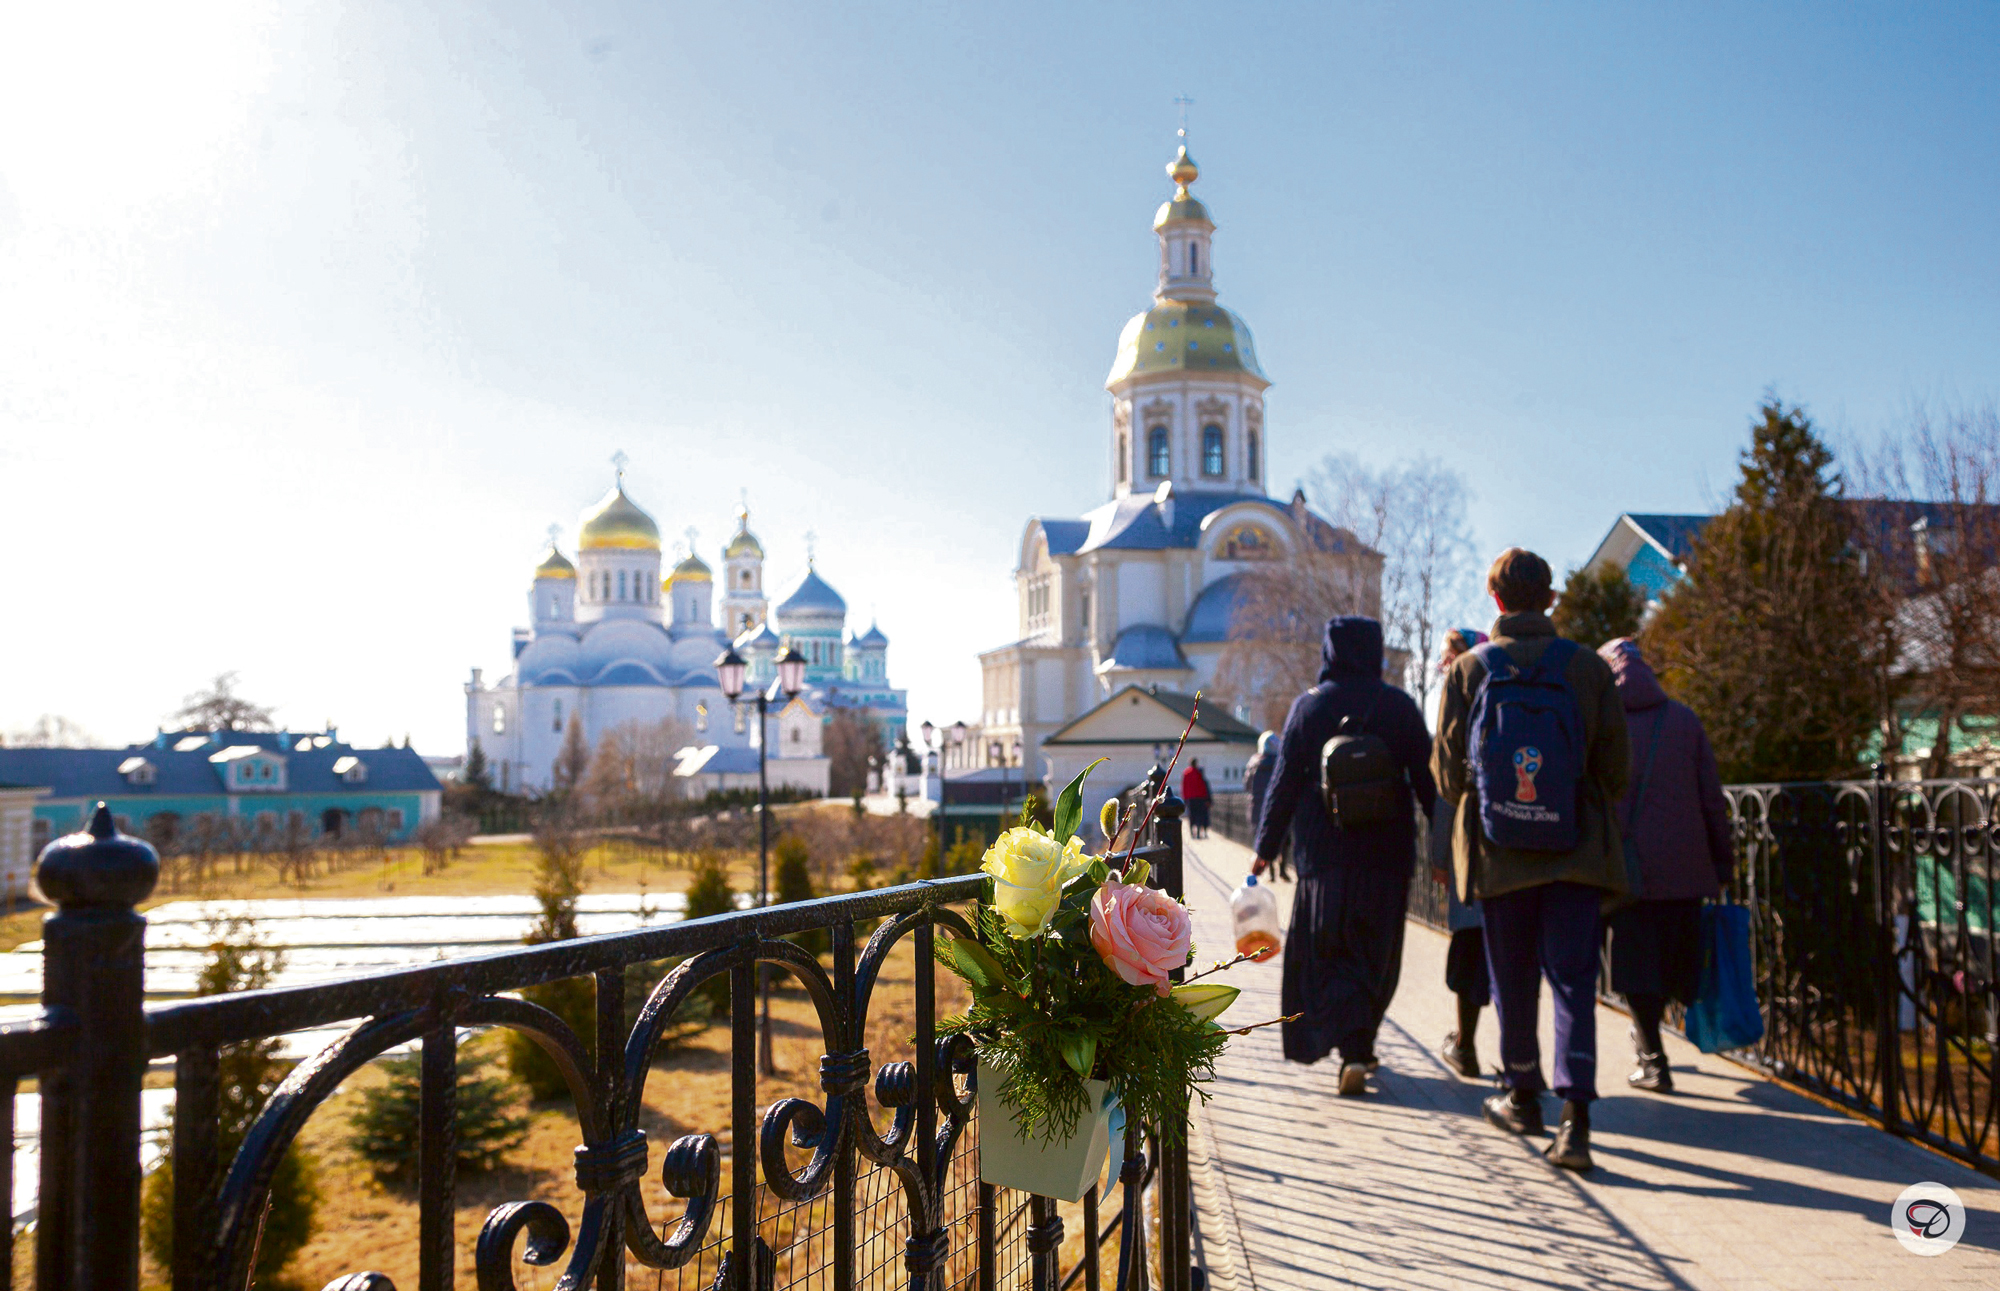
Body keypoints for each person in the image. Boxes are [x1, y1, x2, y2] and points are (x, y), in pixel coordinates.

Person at [1432, 549, 1629, 1172]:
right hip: (1573, 853)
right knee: (1573, 982)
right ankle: (1577, 1121)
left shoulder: (1468, 670)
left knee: (1512, 978)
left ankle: (1522, 1094)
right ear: (1549, 599)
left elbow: (1445, 776)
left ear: (1495, 602)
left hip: (1498, 855)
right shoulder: (1588, 668)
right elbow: (1615, 770)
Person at [1252, 617, 1437, 1096]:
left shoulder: (1309, 708)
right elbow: (1427, 783)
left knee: (1330, 952)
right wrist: (1446, 850)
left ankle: (1351, 1047)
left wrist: (1264, 851)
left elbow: (1284, 785)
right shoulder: (1398, 706)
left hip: (1324, 857)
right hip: (1387, 855)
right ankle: (1361, 1044)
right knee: (1376, 952)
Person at [1598, 637, 1735, 1094]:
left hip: (1626, 871)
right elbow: (1713, 801)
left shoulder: (1600, 722)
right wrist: (1722, 862)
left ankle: (1653, 1059)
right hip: (1684, 868)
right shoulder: (1684, 720)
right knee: (1675, 960)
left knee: (1635, 967)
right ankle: (1656, 1045)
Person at [1431, 628, 1489, 1079]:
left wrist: (1437, 858)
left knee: (1470, 949)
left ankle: (1467, 1046)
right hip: (1524, 849)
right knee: (1508, 953)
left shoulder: (1458, 702)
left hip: (1471, 849)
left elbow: (1445, 790)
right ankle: (1522, 1063)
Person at [1245, 731, 1290, 879]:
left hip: (1257, 807)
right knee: (1283, 838)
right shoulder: (1280, 762)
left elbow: (1247, 786)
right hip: (1279, 805)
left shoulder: (1253, 763)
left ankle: (1269, 871)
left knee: (1265, 837)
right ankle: (1282, 868)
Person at [1181, 758, 1212, 839]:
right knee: (1199, 815)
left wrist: (1184, 797)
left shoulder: (1186, 773)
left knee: (1191, 815)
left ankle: (1192, 832)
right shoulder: (1199, 772)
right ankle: (1198, 832)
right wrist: (1206, 797)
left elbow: (1184, 786)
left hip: (1190, 798)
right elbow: (1203, 785)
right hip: (1199, 797)